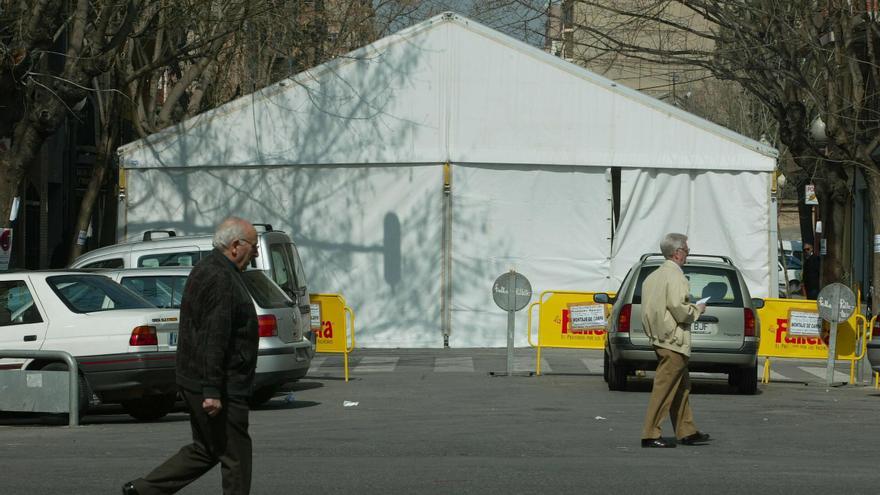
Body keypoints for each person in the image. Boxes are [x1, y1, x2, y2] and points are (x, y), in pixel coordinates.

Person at [124, 217, 260, 494]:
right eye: (254, 246)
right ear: (235, 246)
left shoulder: (210, 269)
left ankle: (144, 490)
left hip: (200, 379)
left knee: (207, 450)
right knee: (236, 456)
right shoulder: (221, 278)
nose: (255, 253)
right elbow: (214, 337)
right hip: (218, 384)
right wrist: (212, 390)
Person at [639, 233, 711, 448]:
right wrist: (696, 309)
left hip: (660, 337)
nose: (687, 254)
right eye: (687, 250)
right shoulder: (676, 275)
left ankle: (687, 430)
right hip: (674, 340)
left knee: (681, 386)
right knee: (665, 388)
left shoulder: (653, 276)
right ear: (678, 253)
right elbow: (680, 309)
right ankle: (650, 434)